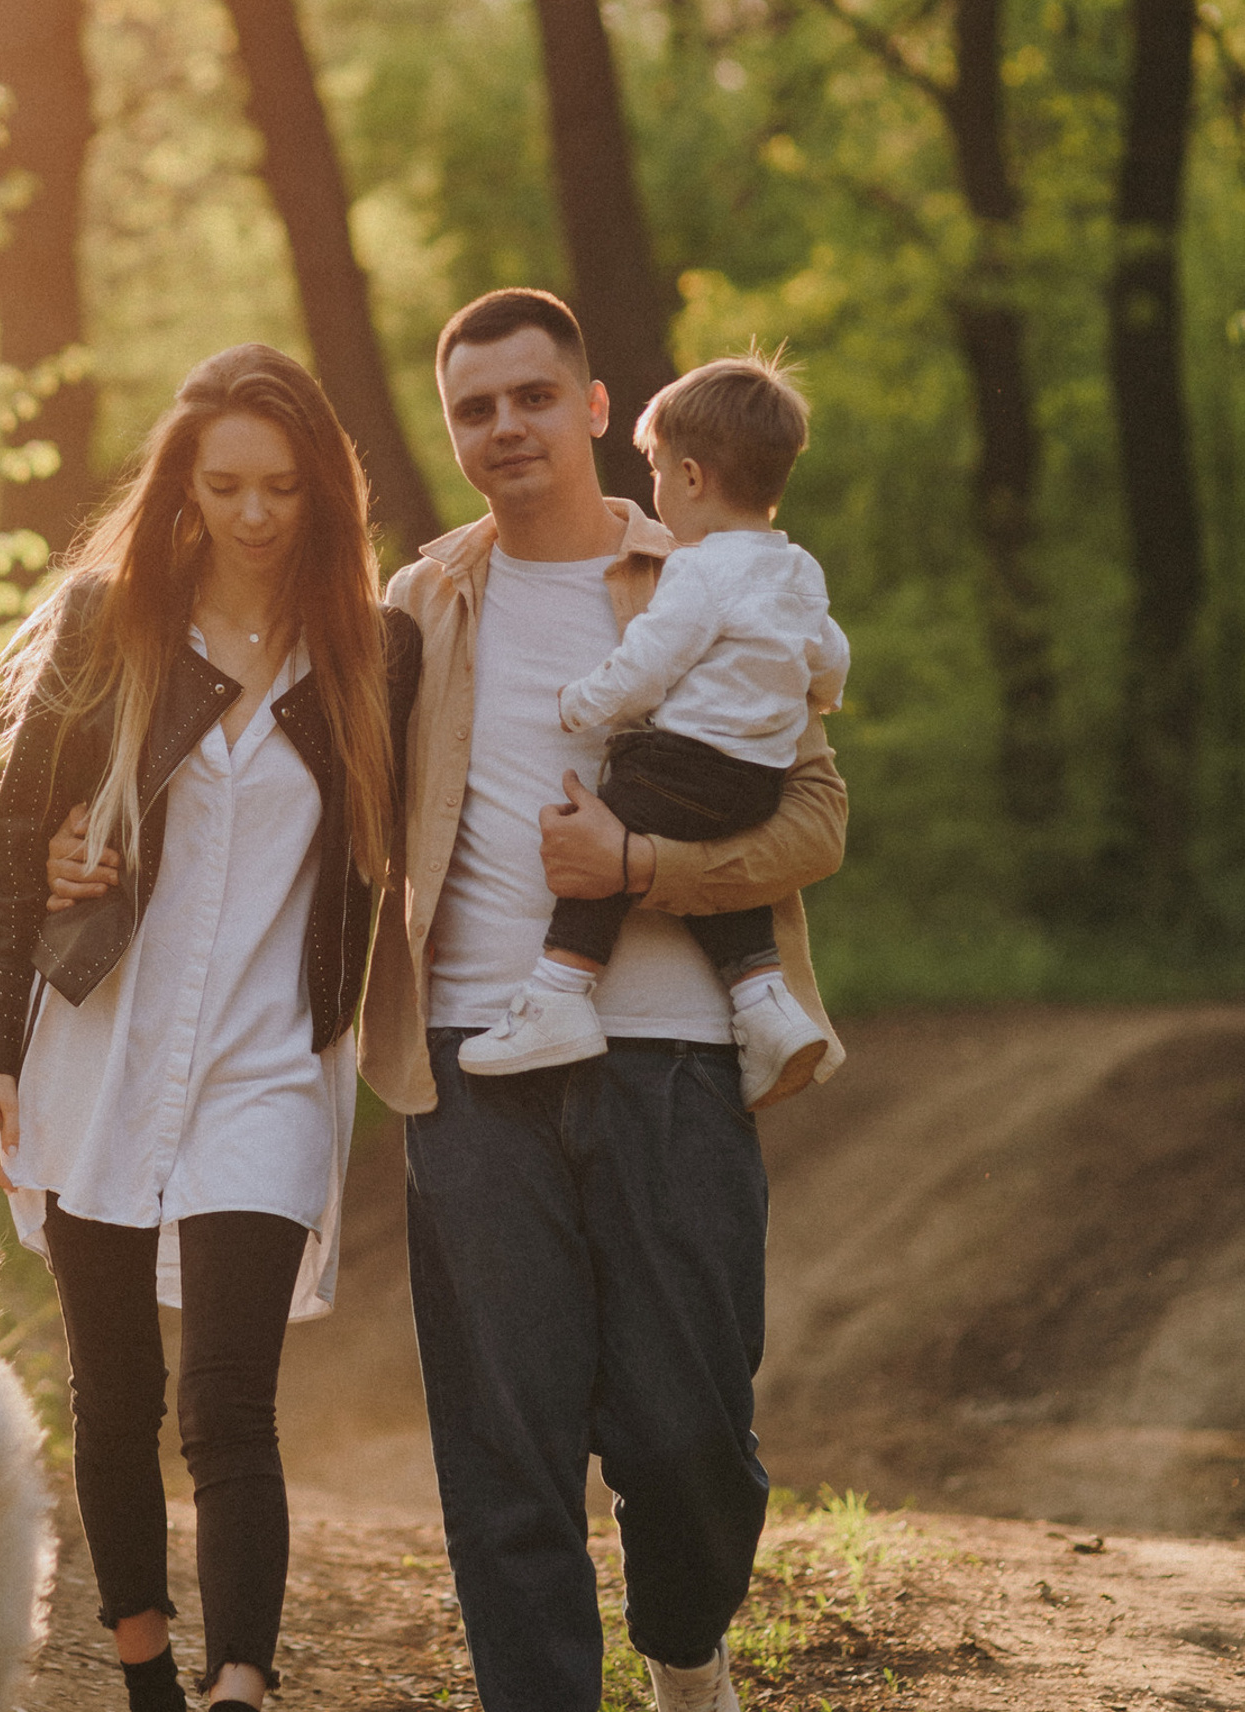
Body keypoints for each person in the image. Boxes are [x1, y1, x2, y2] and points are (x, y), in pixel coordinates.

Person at [356, 290, 848, 1712]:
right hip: (472, 1059)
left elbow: (813, 823)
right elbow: (312, 797)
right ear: (454, 435)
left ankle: (685, 1657)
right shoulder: (421, 604)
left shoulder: (718, 569)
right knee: (505, 1449)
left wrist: (641, 862)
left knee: (690, 1433)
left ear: (590, 406)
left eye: (528, 396)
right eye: (472, 409)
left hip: (679, 1054)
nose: (502, 425)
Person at [0, 344, 420, 1712]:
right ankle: (149, 1673)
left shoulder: (373, 651)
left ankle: (241, 1687)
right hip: (99, 1054)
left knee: (228, 1403)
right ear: (186, 487)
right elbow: (12, 852)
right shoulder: (112, 627)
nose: (256, 514)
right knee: (112, 1397)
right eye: (226, 485)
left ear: (325, 491)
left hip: (271, 1067)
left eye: (283, 487)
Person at [456, 352, 849, 1101]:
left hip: (687, 762)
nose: (657, 488)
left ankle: (559, 993)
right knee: (703, 861)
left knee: (597, 830)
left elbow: (648, 663)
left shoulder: (696, 570)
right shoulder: (798, 569)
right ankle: (766, 1007)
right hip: (755, 781)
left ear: (694, 479)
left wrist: (583, 701)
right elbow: (830, 653)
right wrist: (820, 695)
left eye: (660, 471)